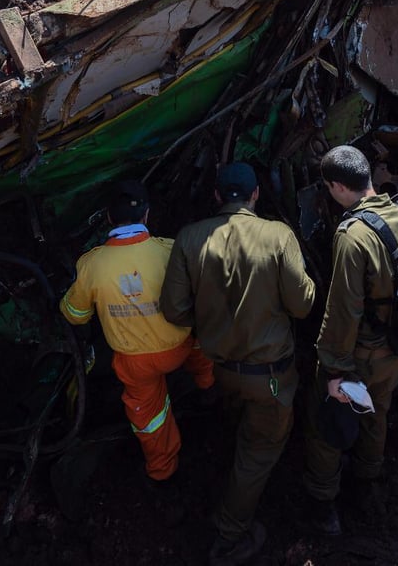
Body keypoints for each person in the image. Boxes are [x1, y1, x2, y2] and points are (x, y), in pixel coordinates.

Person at [160, 163, 315, 566]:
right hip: (271, 379)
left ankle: (224, 479)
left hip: (221, 372)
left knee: (238, 429)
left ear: (216, 196)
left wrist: (213, 318)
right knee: (258, 454)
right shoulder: (278, 236)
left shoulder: (190, 238)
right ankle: (230, 535)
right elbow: (302, 305)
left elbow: (174, 312)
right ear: (256, 194)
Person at [59, 180, 215, 487]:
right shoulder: (169, 250)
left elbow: (74, 315)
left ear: (108, 218)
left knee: (150, 416)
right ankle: (207, 386)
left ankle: (162, 470)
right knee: (200, 347)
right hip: (180, 346)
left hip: (135, 363)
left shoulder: (92, 264)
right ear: (147, 215)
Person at [303, 144, 398, 536]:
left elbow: (343, 310)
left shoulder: (353, 235)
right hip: (397, 348)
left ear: (337, 186)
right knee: (377, 415)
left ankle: (323, 507)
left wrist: (335, 369)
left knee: (329, 422)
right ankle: (365, 487)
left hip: (362, 353)